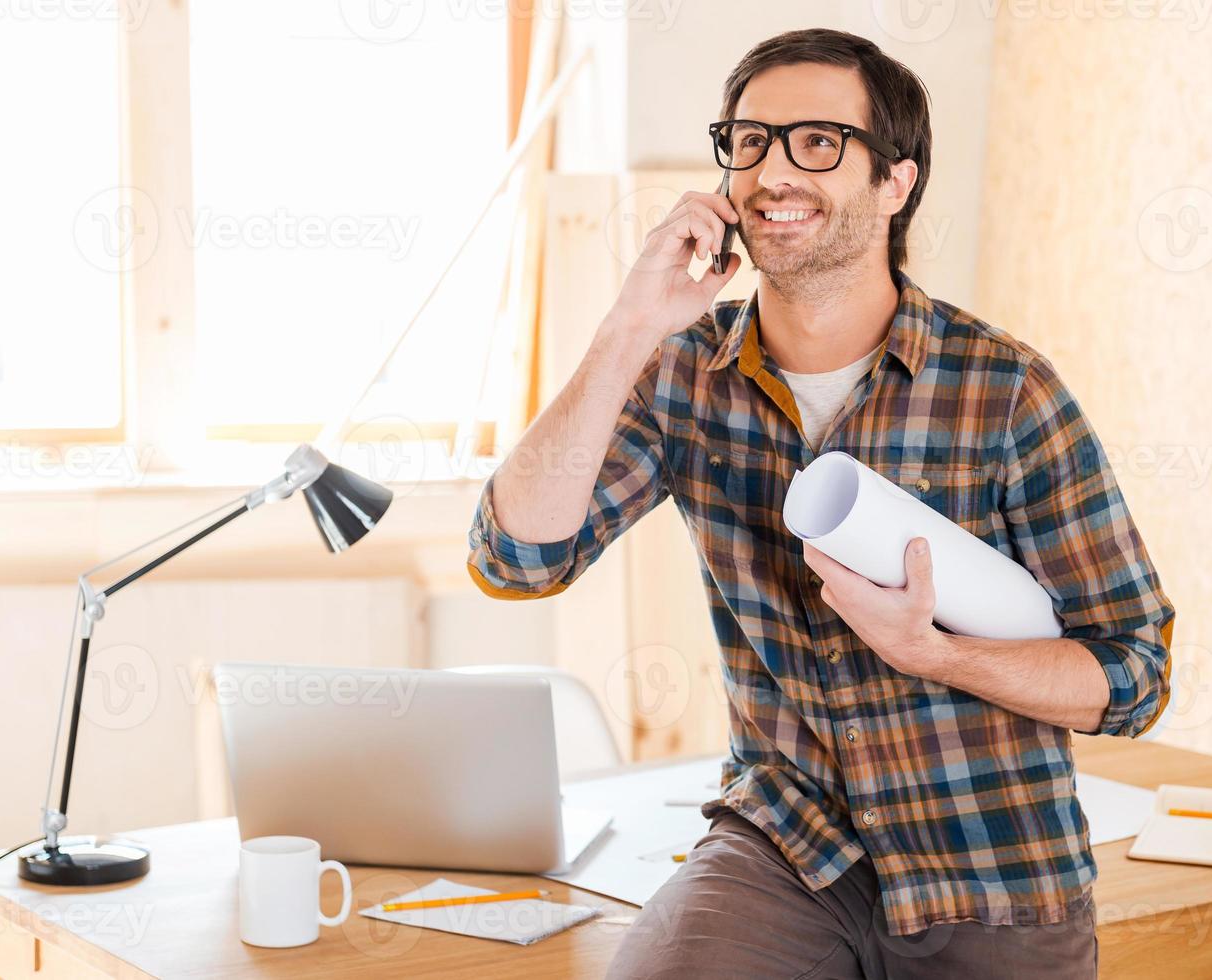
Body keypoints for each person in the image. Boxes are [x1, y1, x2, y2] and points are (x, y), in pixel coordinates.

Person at [466, 27, 1174, 979]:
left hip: (992, 864)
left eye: (816, 142)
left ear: (896, 182)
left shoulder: (1004, 393)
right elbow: (517, 559)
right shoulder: (684, 375)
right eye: (748, 142)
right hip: (787, 844)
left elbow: (1132, 672)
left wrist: (938, 654)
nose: (771, 172)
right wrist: (631, 321)